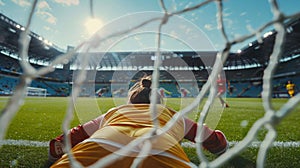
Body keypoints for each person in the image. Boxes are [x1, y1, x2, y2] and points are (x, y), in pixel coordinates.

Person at [49, 76, 228, 168]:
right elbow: (215, 141)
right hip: (161, 151)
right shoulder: (172, 115)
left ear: (131, 100)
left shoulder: (114, 112)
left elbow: (69, 138)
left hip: (99, 145)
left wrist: (56, 151)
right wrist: (222, 146)